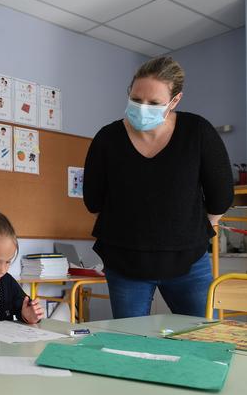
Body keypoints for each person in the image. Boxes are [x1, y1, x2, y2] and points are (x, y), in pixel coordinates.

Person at [83, 56, 234, 319]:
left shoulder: (197, 131)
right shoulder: (107, 138)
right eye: (136, 99)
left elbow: (220, 196)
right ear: (129, 91)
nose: (143, 108)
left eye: (153, 103)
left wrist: (191, 230)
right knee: (131, 343)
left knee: (202, 338)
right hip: (124, 263)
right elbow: (94, 201)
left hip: (189, 261)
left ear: (174, 101)